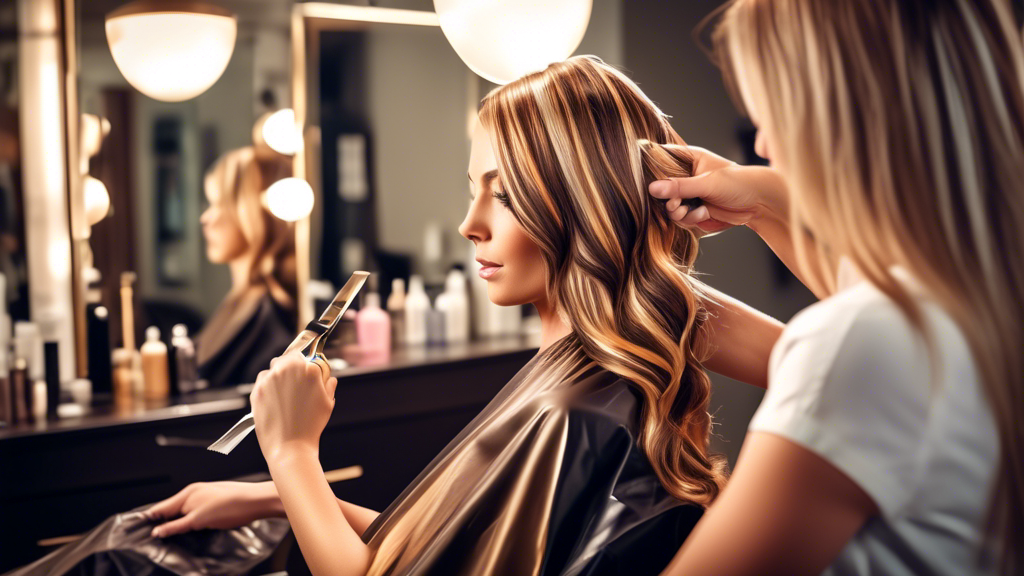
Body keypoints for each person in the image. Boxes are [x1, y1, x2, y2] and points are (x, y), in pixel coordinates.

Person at [145, 56, 782, 576]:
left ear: (581, 205)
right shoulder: (571, 379)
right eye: (472, 188)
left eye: (503, 195)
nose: (469, 224)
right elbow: (447, 554)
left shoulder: (577, 413)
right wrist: (280, 500)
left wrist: (291, 453)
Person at [649, 1, 1024, 574]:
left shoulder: (863, 344)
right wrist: (766, 203)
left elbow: (865, 329)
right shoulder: (984, 290)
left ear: (837, 119)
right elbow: (877, 298)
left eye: (770, 114)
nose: (763, 146)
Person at [195, 145, 297, 388]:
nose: (205, 218)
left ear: (251, 211)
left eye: (218, 203)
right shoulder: (238, 302)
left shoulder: (269, 323)